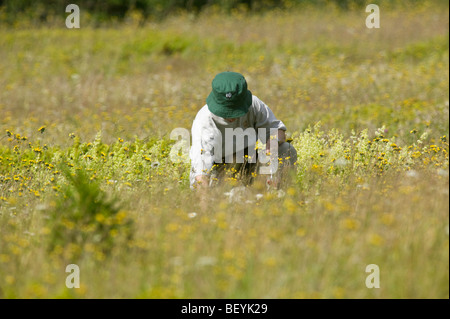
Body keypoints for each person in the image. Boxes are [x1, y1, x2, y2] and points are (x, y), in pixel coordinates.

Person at [189, 71, 297, 190]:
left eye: (235, 111)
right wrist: (204, 206)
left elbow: (279, 131)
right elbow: (201, 174)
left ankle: (280, 196)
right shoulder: (204, 122)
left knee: (286, 149)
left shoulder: (254, 105)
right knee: (232, 197)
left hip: (249, 160)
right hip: (218, 168)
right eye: (225, 112)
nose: (230, 117)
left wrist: (272, 144)